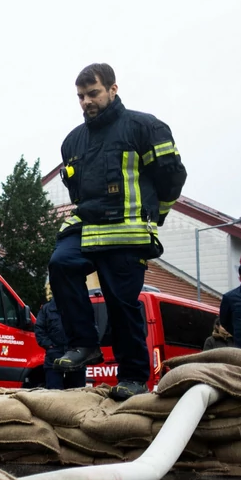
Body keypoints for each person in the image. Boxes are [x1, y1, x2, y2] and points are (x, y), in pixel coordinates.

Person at [48, 63, 187, 401]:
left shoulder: (145, 127)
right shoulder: (72, 141)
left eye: (93, 93)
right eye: (80, 96)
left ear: (113, 89)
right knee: (60, 263)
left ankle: (133, 377)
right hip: (87, 227)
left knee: (121, 305)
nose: (86, 102)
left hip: (128, 233)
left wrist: (156, 217)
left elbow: (172, 178)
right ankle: (84, 344)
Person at [34, 285, 84, 388]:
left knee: (77, 395)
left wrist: (82, 346)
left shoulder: (78, 307)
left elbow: (90, 327)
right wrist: (49, 346)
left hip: (75, 356)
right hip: (54, 356)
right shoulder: (46, 309)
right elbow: (39, 329)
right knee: (54, 394)